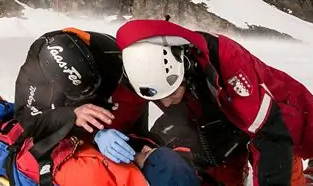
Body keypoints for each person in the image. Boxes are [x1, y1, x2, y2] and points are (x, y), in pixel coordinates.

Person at [116, 19, 313, 186]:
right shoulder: (142, 70)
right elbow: (123, 115)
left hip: (279, 121)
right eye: (158, 99)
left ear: (185, 69)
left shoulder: (229, 61)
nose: (166, 104)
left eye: (171, 93)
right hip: (219, 134)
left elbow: (271, 136)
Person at [14, 27, 200, 186]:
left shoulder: (113, 55)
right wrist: (73, 116)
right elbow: (28, 120)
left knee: (142, 146)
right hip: (79, 126)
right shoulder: (35, 75)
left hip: (113, 96)